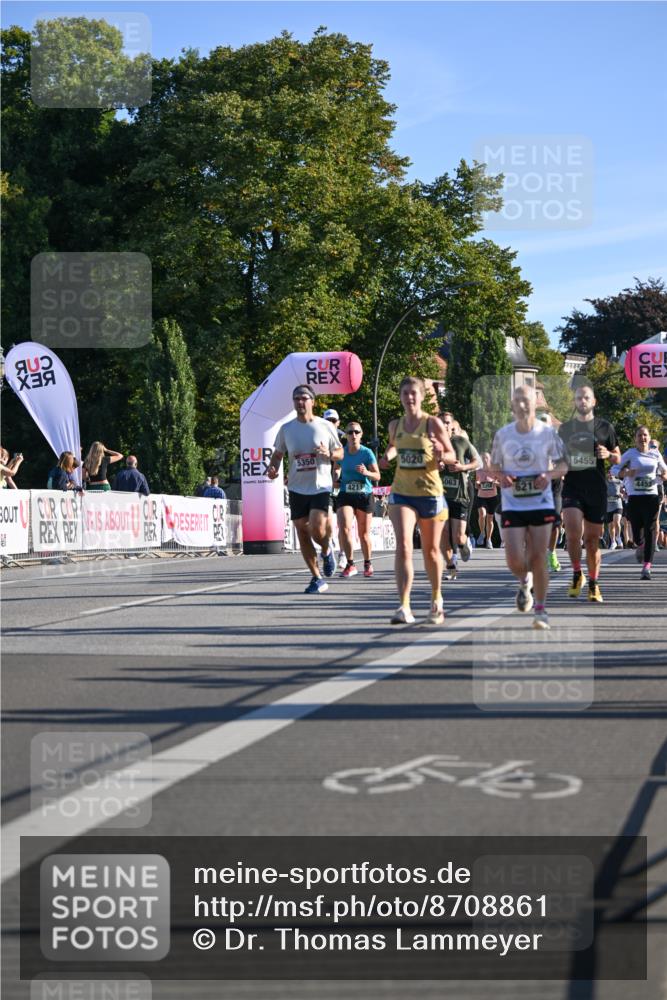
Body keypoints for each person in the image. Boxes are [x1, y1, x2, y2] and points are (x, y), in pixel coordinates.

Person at [491, 385, 569, 630]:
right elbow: (493, 466)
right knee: (514, 558)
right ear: (512, 406)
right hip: (513, 503)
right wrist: (501, 476)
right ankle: (524, 580)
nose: (522, 405)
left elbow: (563, 465)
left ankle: (541, 609)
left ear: (534, 405)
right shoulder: (503, 435)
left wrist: (548, 474)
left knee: (538, 557)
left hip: (541, 502)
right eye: (517, 401)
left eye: (526, 401)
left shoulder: (547, 433)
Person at [378, 376, 455, 626]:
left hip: (430, 494)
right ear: (400, 397)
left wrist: (443, 453)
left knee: (432, 551)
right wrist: (387, 457)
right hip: (402, 493)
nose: (409, 398)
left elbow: (452, 455)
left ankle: (436, 598)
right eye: (405, 393)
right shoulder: (395, 425)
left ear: (422, 396)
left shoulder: (432, 424)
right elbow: (393, 446)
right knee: (403, 546)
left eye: (414, 393)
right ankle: (404, 606)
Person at [266, 385, 343, 594]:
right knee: (301, 529)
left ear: (312, 401)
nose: (300, 402)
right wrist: (273, 467)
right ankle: (317, 578)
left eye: (303, 398)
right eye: (296, 399)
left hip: (320, 485)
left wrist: (329, 453)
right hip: (297, 487)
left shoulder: (326, 426)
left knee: (317, 528)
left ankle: (326, 551)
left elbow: (340, 452)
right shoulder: (287, 428)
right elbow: (278, 454)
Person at [558, 383, 620, 603]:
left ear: (594, 401)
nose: (582, 401)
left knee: (592, 541)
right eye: (578, 398)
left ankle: (593, 582)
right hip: (573, 486)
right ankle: (577, 573)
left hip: (597, 488)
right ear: (575, 402)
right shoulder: (565, 429)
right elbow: (559, 456)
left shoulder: (605, 427)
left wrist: (607, 454)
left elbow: (617, 457)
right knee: (573, 533)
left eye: (586, 398)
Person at [616, 426, 667, 580]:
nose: (642, 438)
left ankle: (647, 566)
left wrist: (664, 475)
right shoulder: (630, 454)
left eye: (645, 435)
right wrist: (625, 473)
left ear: (648, 437)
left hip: (651, 496)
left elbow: (665, 470)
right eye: (639, 435)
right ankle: (641, 545)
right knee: (637, 532)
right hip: (634, 497)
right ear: (635, 438)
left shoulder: (655, 453)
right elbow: (614, 469)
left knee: (651, 530)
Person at [437, 412, 481, 578]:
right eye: (441, 422)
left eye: (447, 422)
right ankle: (451, 567)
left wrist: (462, 467)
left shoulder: (461, 442)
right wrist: (435, 466)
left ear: (451, 425)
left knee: (458, 536)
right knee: (443, 533)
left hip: (459, 495)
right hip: (440, 497)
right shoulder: (432, 444)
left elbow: (478, 461)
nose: (445, 425)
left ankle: (463, 544)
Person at [335, 421, 380, 578]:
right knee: (345, 528)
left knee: (364, 534)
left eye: (356, 432)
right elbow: (336, 468)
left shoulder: (367, 453)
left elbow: (377, 475)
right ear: (346, 435)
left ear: (361, 435)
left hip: (364, 495)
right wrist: (335, 475)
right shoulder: (341, 452)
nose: (353, 435)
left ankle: (367, 563)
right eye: (350, 432)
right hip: (346, 494)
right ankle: (350, 564)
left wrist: (366, 472)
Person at [323, 408, 346, 568]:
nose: (331, 423)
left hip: (344, 484)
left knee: (344, 523)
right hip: (326, 484)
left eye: (333, 421)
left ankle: (343, 554)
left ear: (338, 422)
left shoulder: (345, 437)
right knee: (329, 520)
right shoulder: (318, 436)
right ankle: (330, 543)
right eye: (328, 420)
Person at [474, 452, 500, 549]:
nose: (485, 459)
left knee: (490, 519)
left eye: (486, 458)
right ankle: (482, 532)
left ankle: (489, 540)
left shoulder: (495, 470)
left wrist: (494, 483)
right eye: (483, 458)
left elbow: (500, 483)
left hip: (492, 497)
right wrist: (477, 483)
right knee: (482, 514)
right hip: (481, 497)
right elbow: (476, 484)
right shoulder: (478, 471)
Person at [605, 469, 624, 550]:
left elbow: (624, 491)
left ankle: (618, 537)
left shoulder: (619, 482)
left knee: (616, 521)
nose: (610, 474)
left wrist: (622, 494)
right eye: (609, 472)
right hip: (608, 505)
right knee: (610, 525)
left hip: (617, 504)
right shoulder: (604, 482)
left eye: (612, 473)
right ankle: (613, 542)